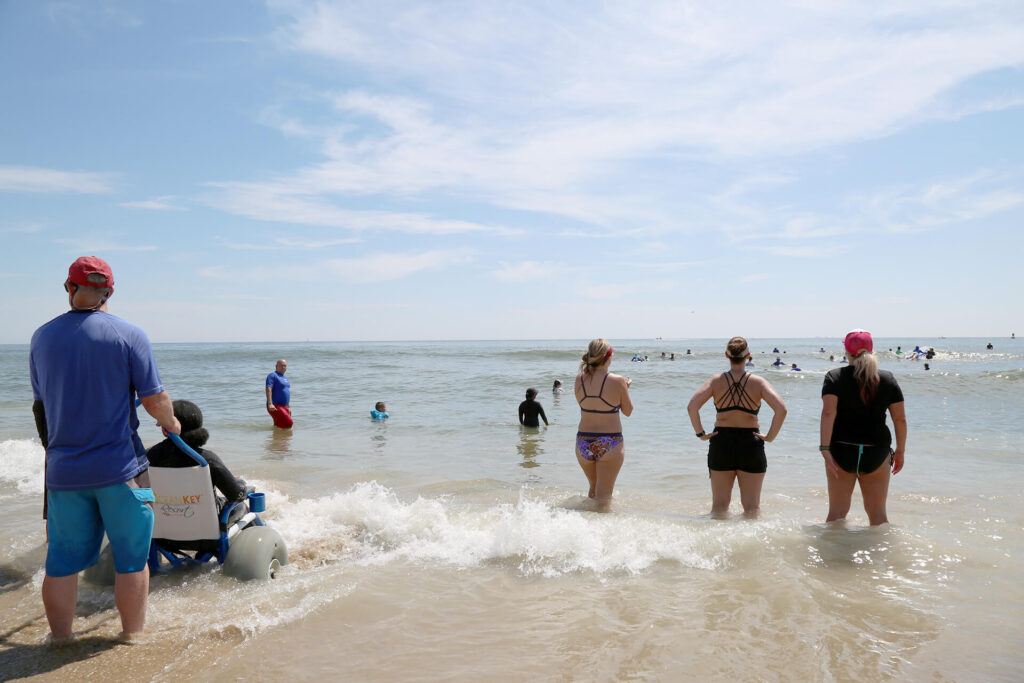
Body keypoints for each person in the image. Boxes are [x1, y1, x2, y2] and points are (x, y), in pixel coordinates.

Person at [30, 256, 181, 642]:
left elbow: (41, 408)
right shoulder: (130, 335)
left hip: (63, 474)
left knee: (61, 564)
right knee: (133, 559)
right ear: (110, 291)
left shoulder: (41, 337)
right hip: (127, 471)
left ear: (69, 287)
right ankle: (132, 636)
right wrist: (172, 422)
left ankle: (60, 639)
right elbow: (155, 399)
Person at [687, 337, 787, 517]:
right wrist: (770, 437)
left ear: (727, 355)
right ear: (748, 356)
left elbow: (692, 406)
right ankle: (750, 545)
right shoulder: (759, 382)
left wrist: (701, 434)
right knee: (752, 508)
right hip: (750, 442)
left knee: (719, 506)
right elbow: (781, 409)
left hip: (721, 442)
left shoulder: (716, 381)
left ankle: (717, 544)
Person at [819, 329, 907, 526]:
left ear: (846, 351)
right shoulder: (887, 379)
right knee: (878, 517)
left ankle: (832, 557)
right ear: (871, 350)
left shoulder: (834, 376)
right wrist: (901, 450)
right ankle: (880, 556)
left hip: (842, 451)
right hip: (876, 452)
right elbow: (899, 419)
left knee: (836, 516)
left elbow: (828, 413)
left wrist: (825, 449)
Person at [146, 400, 249, 555]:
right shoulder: (206, 460)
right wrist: (241, 484)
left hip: (162, 537)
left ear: (166, 429)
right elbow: (235, 494)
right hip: (207, 539)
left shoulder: (148, 458)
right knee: (241, 506)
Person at [574, 339, 633, 511]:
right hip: (610, 442)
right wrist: (625, 389)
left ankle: (586, 528)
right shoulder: (618, 380)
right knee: (604, 499)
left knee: (594, 492)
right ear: (608, 357)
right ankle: (601, 533)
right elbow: (628, 411)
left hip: (583, 442)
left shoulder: (579, 379)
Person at [265, 359, 293, 429]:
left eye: (285, 366)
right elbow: (268, 389)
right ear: (276, 366)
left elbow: (286, 392)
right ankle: (283, 438)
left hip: (284, 406)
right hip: (275, 406)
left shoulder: (285, 378)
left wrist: (288, 407)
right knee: (289, 423)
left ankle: (277, 438)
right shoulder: (272, 375)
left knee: (279, 426)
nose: (284, 367)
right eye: (282, 365)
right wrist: (270, 404)